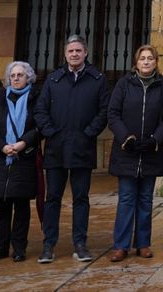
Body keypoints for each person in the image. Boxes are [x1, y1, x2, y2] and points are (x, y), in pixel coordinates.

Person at [34, 34, 110, 263]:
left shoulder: (97, 79)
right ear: (65, 54)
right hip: (56, 148)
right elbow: (40, 110)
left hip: (82, 147)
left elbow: (104, 111)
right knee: (53, 198)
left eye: (78, 50)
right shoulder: (53, 80)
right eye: (70, 51)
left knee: (81, 198)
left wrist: (88, 133)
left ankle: (80, 243)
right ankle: (48, 244)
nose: (74, 54)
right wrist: (51, 132)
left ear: (85, 52)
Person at [108, 44, 163, 262]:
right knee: (127, 199)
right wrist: (126, 137)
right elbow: (113, 113)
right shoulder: (124, 84)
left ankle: (143, 243)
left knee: (145, 200)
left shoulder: (162, 86)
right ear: (136, 62)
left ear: (156, 62)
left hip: (150, 151)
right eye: (142, 58)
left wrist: (155, 139)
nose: (146, 62)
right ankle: (121, 245)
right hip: (127, 151)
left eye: (150, 58)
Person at [0, 61, 39, 262]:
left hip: (23, 158)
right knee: (2, 207)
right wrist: (2, 146)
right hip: (1, 159)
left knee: (22, 207)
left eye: (20, 75)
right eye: (12, 75)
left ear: (28, 78)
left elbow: (39, 126)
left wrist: (23, 143)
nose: (16, 78)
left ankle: (19, 247)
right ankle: (0, 246)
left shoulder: (35, 98)